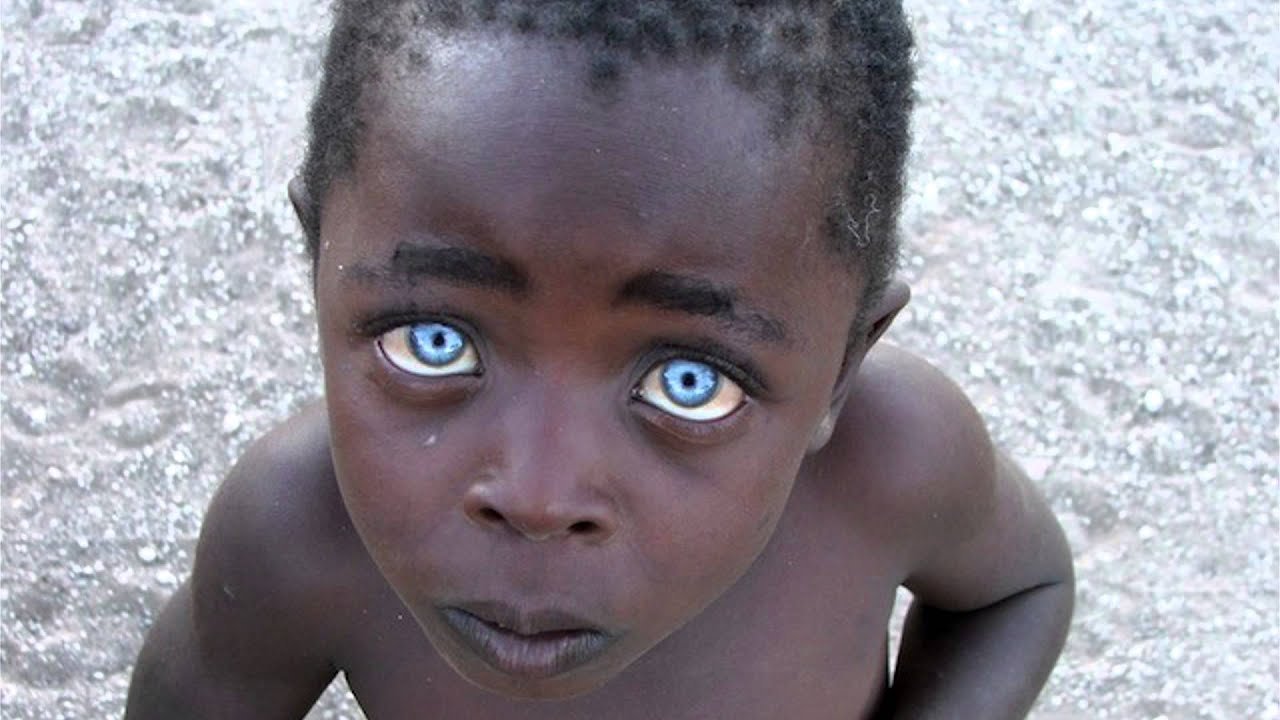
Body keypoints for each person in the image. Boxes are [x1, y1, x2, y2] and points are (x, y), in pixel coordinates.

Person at [125, 2, 1073, 718]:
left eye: (691, 383)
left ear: (843, 369)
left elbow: (1021, 593)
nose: (539, 498)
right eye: (433, 340)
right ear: (318, 263)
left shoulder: (896, 462)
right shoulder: (291, 537)